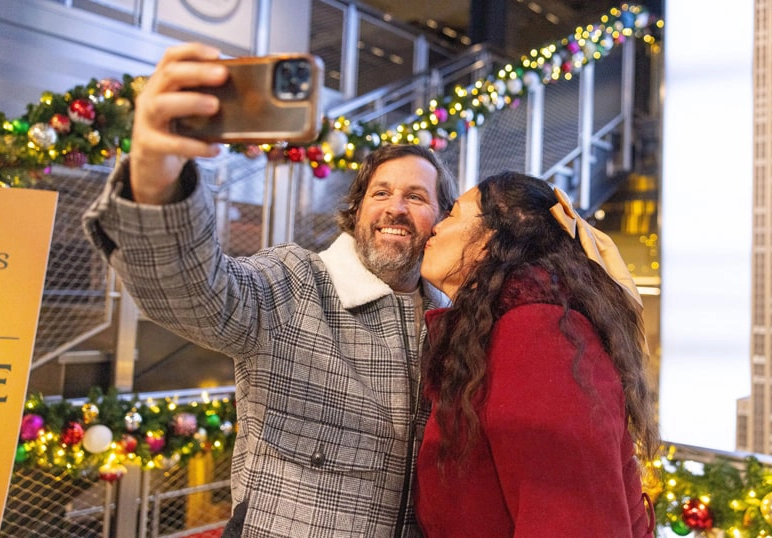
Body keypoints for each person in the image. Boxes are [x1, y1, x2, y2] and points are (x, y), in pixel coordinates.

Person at [82, 42, 457, 537]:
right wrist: (155, 179)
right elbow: (196, 293)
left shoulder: (454, 326)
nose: (394, 207)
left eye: (416, 196)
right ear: (357, 210)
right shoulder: (295, 284)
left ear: (442, 219)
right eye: (380, 193)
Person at [415, 171, 660, 537]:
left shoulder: (540, 333)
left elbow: (573, 522)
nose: (435, 227)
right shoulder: (515, 326)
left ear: (491, 241)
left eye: (453, 215)